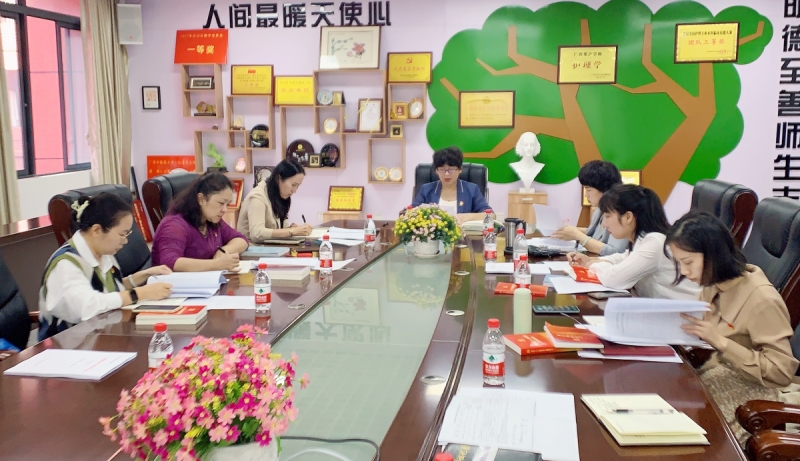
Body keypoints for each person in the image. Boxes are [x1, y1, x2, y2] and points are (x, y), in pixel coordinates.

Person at [665, 211, 799, 444]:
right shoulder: (713, 282)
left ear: (713, 255)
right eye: (679, 263)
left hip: (754, 390)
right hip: (719, 373)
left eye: (688, 263)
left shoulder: (761, 299)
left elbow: (781, 372)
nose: (684, 272)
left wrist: (722, 343)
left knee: (690, 434)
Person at [38, 193, 172, 341]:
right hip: (68, 345)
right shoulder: (66, 264)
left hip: (101, 336)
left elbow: (106, 290)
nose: (125, 241)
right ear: (96, 230)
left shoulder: (103, 254)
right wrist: (139, 293)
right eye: (122, 234)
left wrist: (141, 276)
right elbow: (87, 306)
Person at [568, 184, 700, 300]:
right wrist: (594, 261)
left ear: (628, 217)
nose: (605, 224)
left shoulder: (655, 243)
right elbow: (624, 257)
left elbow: (613, 279)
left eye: (608, 216)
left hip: (683, 316)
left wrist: (592, 266)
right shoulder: (643, 239)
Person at [152, 172, 249, 272]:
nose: (225, 209)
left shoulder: (211, 220)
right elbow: (170, 262)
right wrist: (216, 264)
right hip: (173, 281)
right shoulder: (174, 225)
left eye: (227, 204)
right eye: (221, 203)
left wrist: (224, 250)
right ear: (201, 199)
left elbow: (241, 239)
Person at [552, 160, 628, 255]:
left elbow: (615, 252)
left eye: (589, 190)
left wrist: (577, 235)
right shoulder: (600, 208)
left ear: (603, 189)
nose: (586, 195)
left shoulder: (621, 211)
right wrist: (568, 231)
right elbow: (592, 233)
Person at [238, 158, 312, 242]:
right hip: (252, 248)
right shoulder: (257, 197)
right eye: (293, 185)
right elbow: (257, 234)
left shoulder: (279, 195)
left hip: (271, 246)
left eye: (298, 186)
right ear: (278, 179)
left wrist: (291, 229)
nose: (294, 190)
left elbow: (278, 228)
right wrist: (291, 231)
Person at [412, 146, 493, 222]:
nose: (447, 174)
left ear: (460, 169)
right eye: (442, 170)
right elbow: (411, 213)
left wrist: (468, 217)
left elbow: (491, 215)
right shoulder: (426, 189)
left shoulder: (472, 189)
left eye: (451, 170)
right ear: (436, 170)